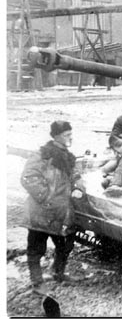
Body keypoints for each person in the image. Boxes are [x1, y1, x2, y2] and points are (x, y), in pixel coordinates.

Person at [20, 121, 84, 295]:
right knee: (36, 248)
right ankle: (37, 283)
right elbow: (28, 177)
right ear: (55, 136)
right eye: (66, 135)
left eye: (71, 134)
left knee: (66, 243)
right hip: (42, 210)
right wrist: (46, 197)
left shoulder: (68, 157)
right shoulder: (42, 155)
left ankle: (58, 272)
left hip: (62, 211)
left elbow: (74, 176)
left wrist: (78, 186)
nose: (70, 138)